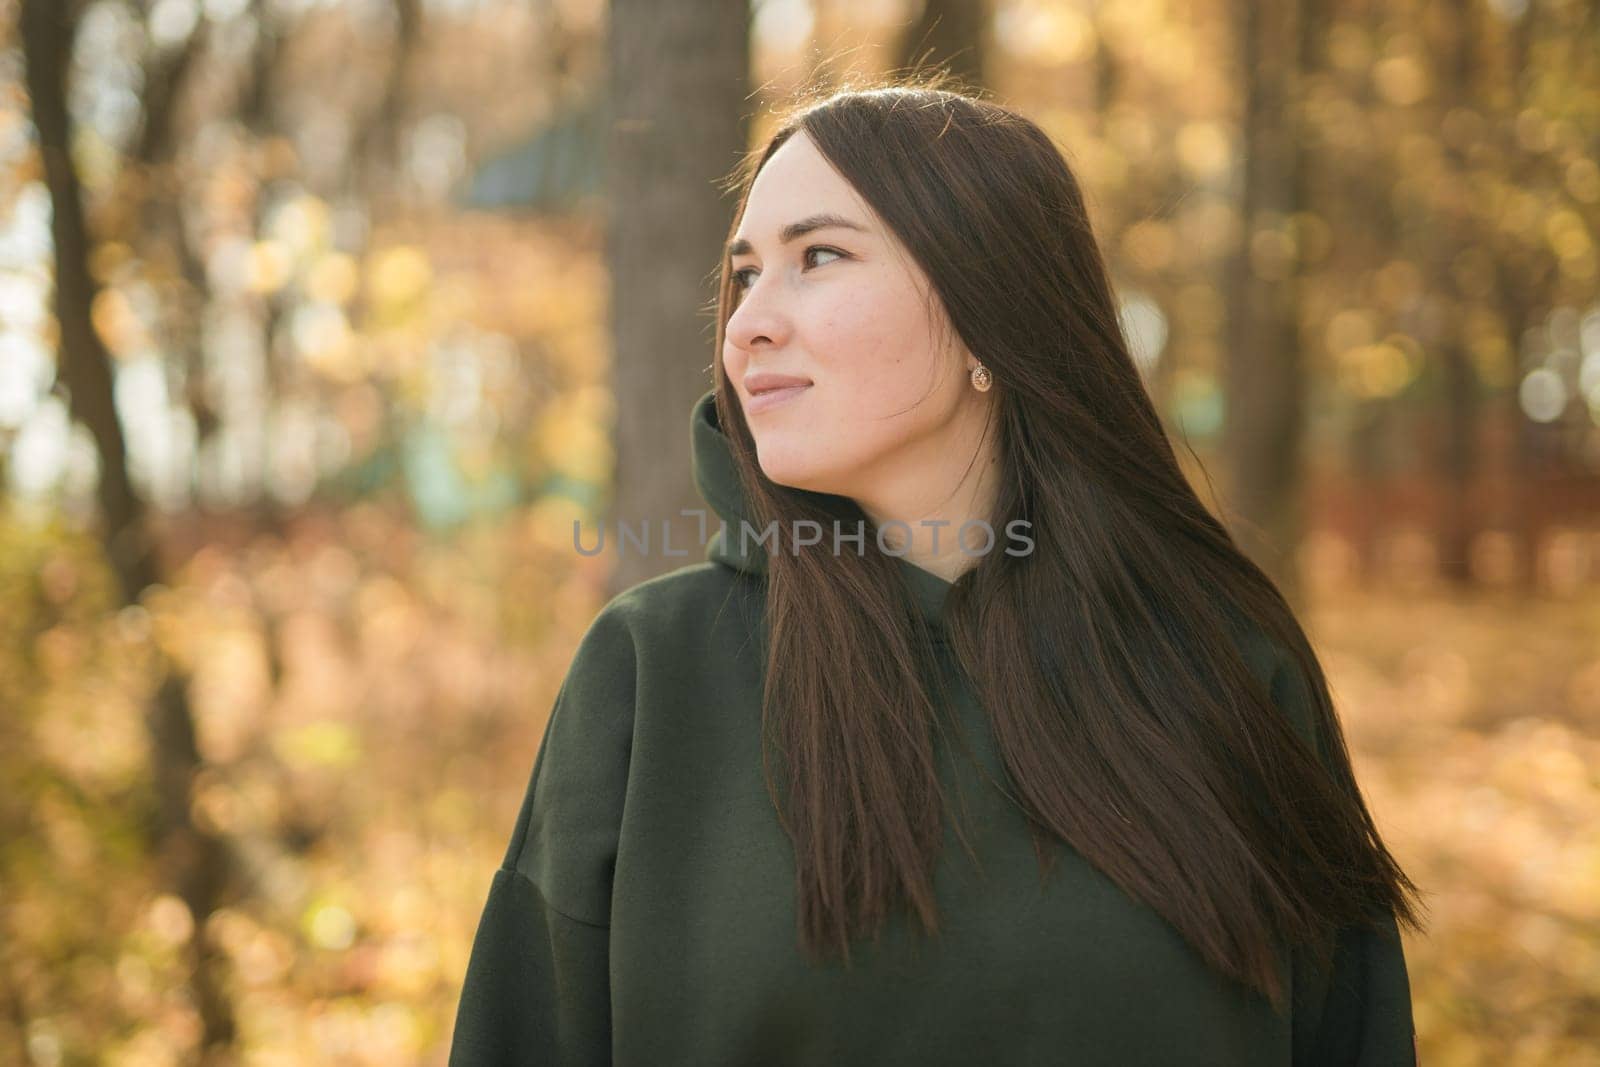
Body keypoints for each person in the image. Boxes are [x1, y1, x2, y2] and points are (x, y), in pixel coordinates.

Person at [448, 80, 1425, 1066]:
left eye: (817, 257)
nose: (746, 324)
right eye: (744, 274)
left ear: (989, 317)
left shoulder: (1221, 665)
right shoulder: (653, 671)